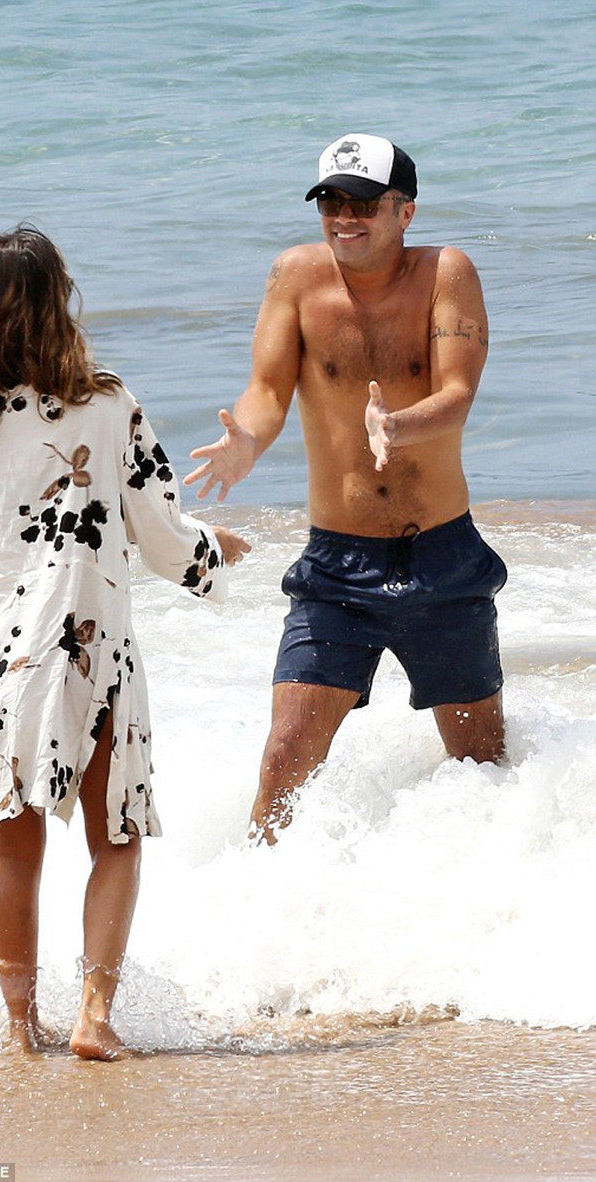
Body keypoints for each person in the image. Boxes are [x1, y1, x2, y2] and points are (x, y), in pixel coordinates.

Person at [0, 225, 250, 1057]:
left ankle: (19, 1028)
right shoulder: (106, 404)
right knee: (115, 836)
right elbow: (159, 531)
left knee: (16, 852)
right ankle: (94, 1018)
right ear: (58, 303)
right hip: (84, 643)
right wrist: (215, 550)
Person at [185, 132, 507, 844]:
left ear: (405, 211)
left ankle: (482, 889)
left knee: (483, 767)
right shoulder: (295, 277)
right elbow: (268, 390)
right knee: (284, 759)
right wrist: (245, 440)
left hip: (444, 559)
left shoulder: (447, 273)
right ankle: (253, 893)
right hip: (338, 568)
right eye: (330, 201)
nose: (344, 216)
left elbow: (456, 393)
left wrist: (398, 424)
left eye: (362, 202)